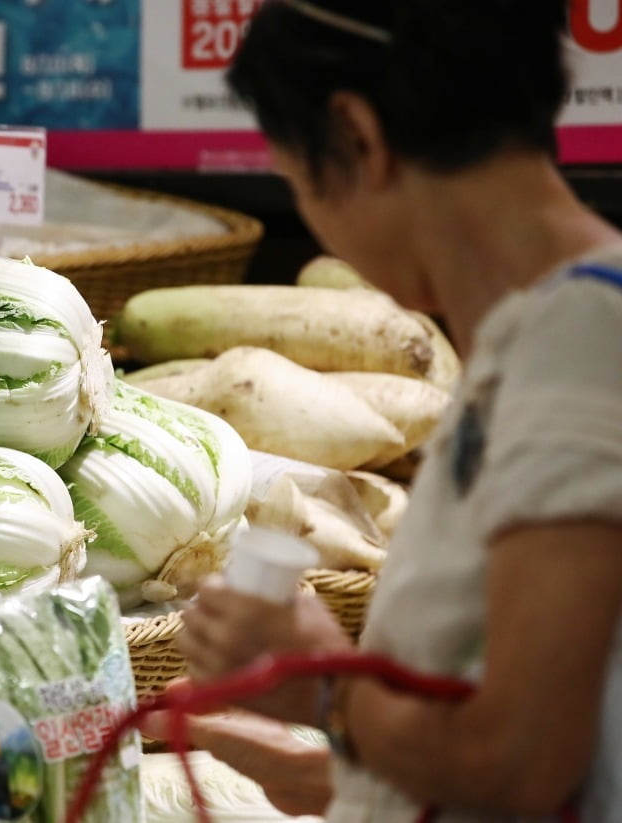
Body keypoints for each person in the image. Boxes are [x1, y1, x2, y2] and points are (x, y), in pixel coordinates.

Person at [140, 1, 622, 821]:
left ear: (357, 137)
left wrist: (326, 693)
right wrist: (347, 776)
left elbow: (519, 763)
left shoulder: (576, 345)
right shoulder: (543, 338)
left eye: (298, 184)